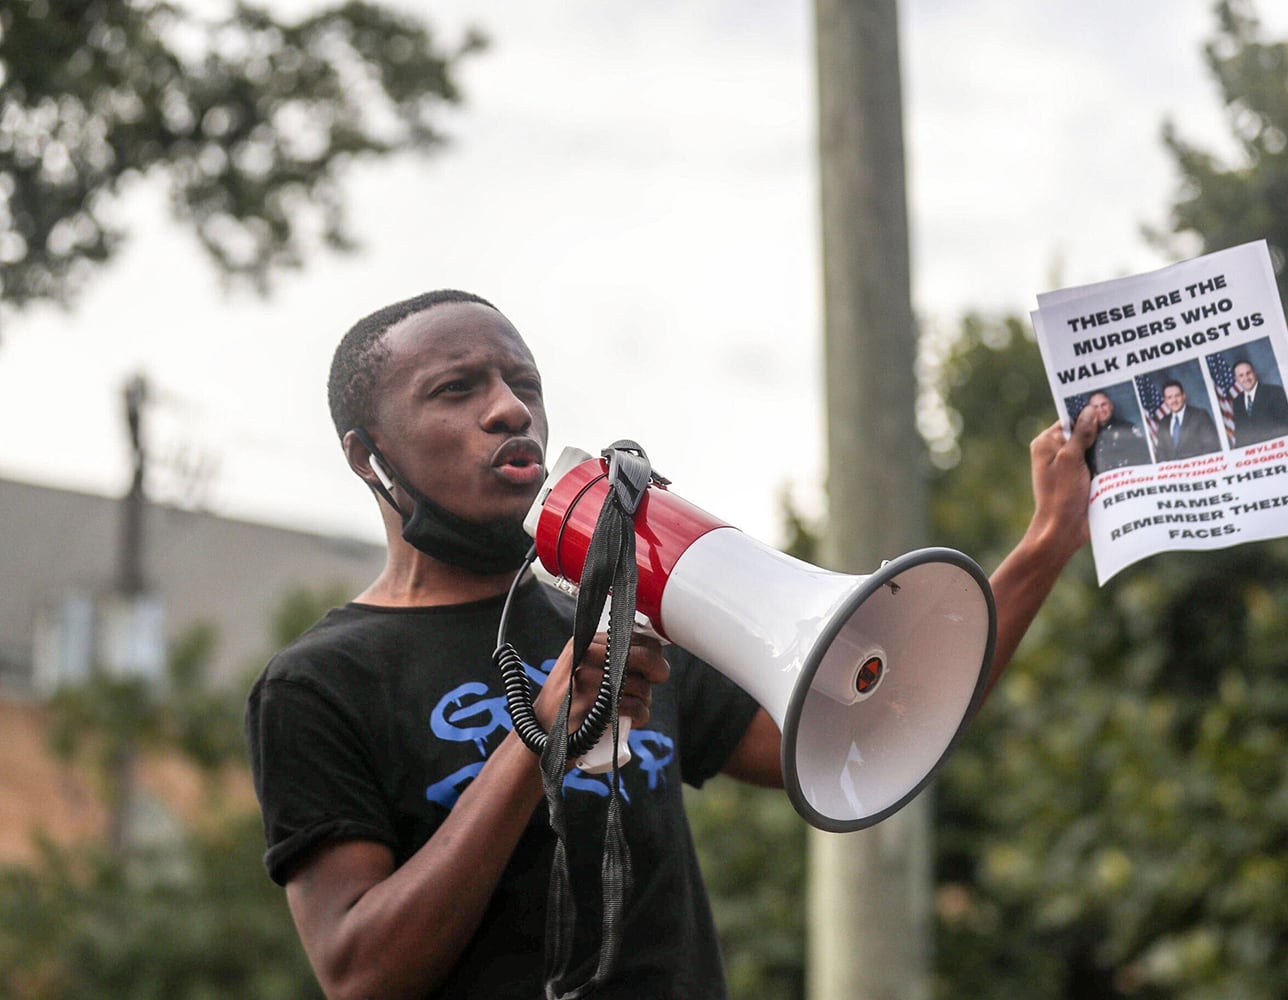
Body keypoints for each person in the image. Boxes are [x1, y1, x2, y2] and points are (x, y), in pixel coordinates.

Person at [244, 289, 1099, 1000]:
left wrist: (1047, 543)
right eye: (456, 389)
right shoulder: (318, 683)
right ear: (368, 455)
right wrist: (544, 733)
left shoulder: (623, 600)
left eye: (523, 382)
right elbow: (359, 971)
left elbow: (881, 713)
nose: (509, 408)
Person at [1230, 358, 1288, 446]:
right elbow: (1241, 435)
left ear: (1254, 373)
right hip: (1255, 455)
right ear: (1236, 379)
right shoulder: (1237, 402)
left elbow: (1287, 426)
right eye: (1241, 375)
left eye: (1248, 373)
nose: (1246, 378)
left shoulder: (1275, 392)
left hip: (1279, 448)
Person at [1153, 379, 1220, 461]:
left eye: (1177, 396)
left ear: (1183, 396)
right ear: (1165, 401)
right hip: (1174, 472)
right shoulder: (1163, 422)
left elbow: (1212, 446)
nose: (1174, 400)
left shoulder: (1200, 415)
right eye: (1169, 397)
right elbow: (1161, 452)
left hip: (1199, 469)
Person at [1084, 390, 1150, 473]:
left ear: (1111, 406)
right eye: (1095, 407)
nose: (1100, 409)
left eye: (1103, 404)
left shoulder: (1127, 428)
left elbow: (1143, 453)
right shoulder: (1087, 436)